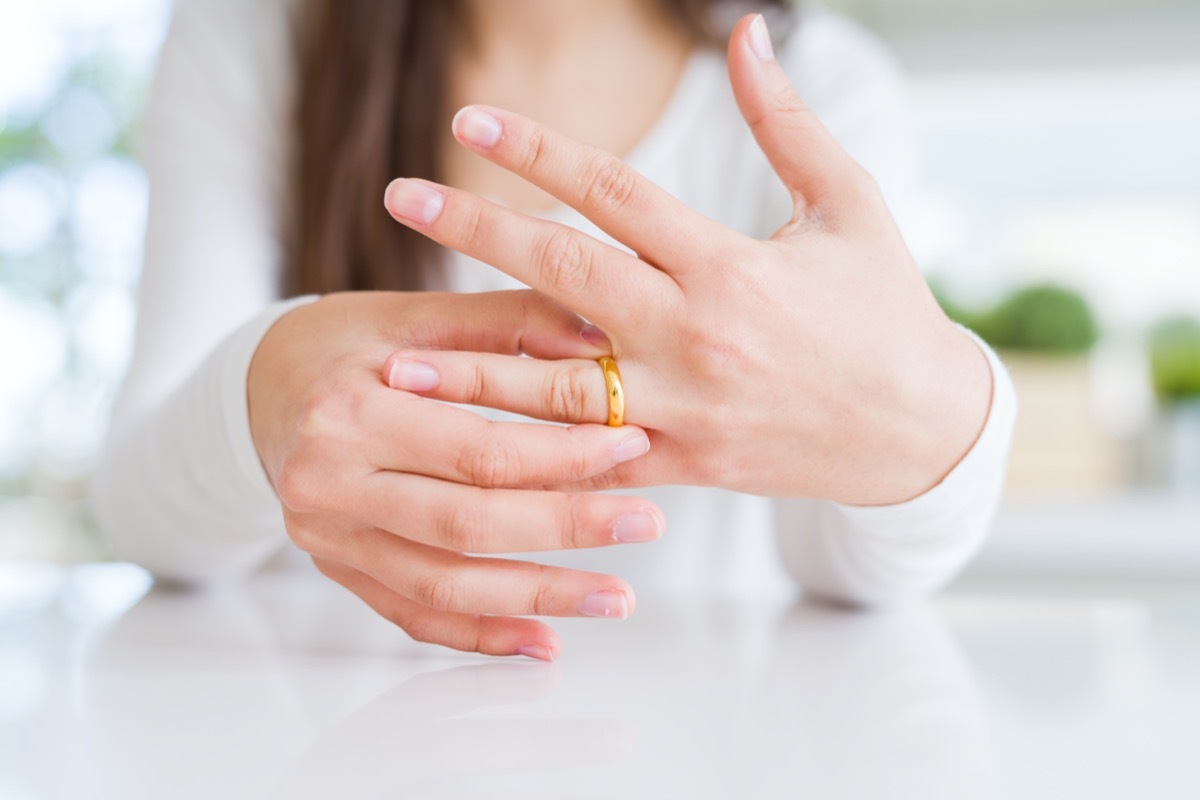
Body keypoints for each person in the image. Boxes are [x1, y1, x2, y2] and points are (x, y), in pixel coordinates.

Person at [93, 0, 1017, 661]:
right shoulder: (250, 33)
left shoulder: (820, 81)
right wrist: (264, 390)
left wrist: (932, 421)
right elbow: (144, 518)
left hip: (699, 734)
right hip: (316, 719)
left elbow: (852, 573)